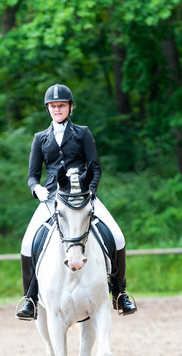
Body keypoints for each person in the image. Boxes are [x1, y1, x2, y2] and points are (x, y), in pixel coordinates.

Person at [16, 83, 137, 320]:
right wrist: (36, 189)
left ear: (70, 107)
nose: (57, 109)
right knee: (27, 242)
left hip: (83, 197)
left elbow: (95, 167)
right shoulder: (40, 138)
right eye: (53, 106)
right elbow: (32, 175)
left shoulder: (83, 133)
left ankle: (120, 293)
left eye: (61, 105)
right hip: (52, 199)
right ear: (48, 109)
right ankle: (30, 298)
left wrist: (90, 192)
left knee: (118, 235)